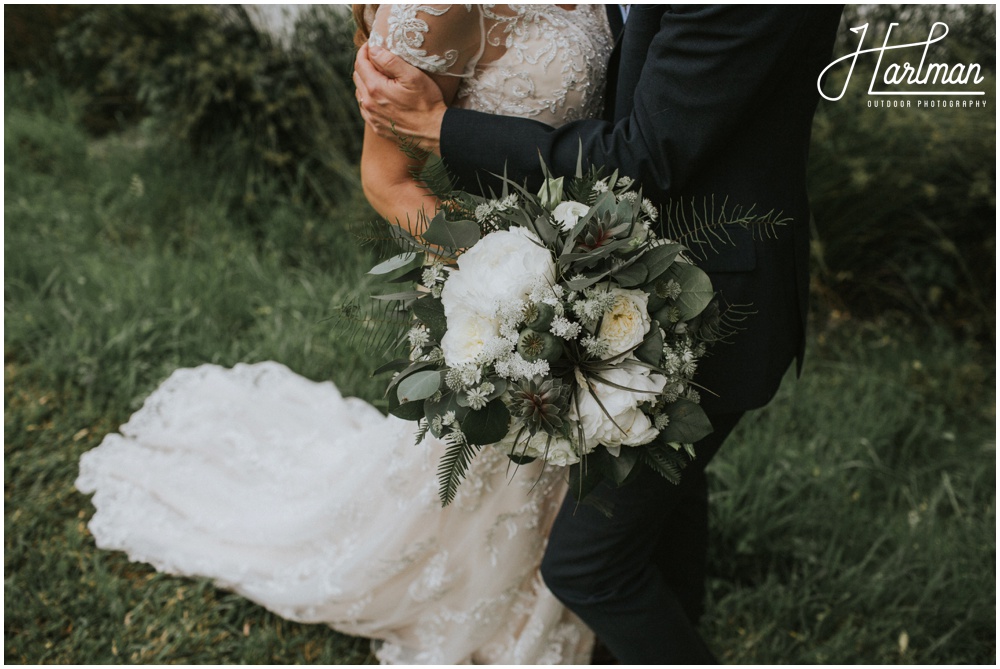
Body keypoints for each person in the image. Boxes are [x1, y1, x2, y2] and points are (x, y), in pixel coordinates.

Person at [76, 5, 616, 665]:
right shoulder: (432, 10)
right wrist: (510, 273)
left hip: (597, 260)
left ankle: (585, 574)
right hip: (515, 285)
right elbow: (387, 180)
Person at [354, 4, 844, 663]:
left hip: (707, 286)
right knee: (668, 492)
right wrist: (501, 269)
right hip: (612, 274)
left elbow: (644, 154)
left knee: (589, 567)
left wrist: (443, 129)